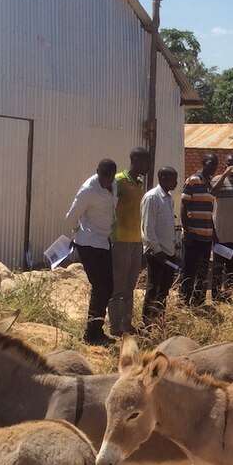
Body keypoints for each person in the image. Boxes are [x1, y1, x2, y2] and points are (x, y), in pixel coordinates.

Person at [66, 159, 118, 346]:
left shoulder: (114, 185)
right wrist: (78, 232)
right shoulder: (88, 190)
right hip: (88, 243)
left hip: (104, 241)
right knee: (100, 287)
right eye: (104, 177)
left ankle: (97, 330)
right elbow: (71, 216)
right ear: (97, 172)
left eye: (110, 178)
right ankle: (91, 334)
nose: (106, 181)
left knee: (108, 286)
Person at [109, 147, 151, 336]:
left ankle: (126, 325)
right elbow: (110, 208)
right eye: (144, 162)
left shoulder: (140, 182)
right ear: (134, 159)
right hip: (120, 240)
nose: (147, 166)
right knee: (118, 287)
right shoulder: (118, 181)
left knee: (130, 287)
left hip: (136, 241)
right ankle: (115, 327)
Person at [140, 166, 179, 326]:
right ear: (162, 179)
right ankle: (147, 324)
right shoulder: (152, 197)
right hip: (157, 253)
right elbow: (147, 228)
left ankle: (159, 320)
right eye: (173, 179)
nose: (176, 182)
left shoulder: (168, 198)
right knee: (153, 288)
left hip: (168, 252)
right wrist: (157, 251)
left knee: (164, 288)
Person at [179, 152, 217, 307]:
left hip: (206, 236)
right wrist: (186, 231)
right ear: (203, 162)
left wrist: (213, 231)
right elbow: (183, 206)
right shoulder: (193, 180)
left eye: (215, 165)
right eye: (211, 163)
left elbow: (209, 211)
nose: (213, 167)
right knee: (189, 270)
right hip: (193, 235)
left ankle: (198, 302)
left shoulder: (209, 184)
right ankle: (183, 302)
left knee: (202, 271)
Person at [209, 153, 233, 302]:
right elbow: (212, 193)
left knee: (232, 267)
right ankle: (216, 295)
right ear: (224, 165)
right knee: (218, 266)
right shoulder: (217, 179)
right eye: (230, 164)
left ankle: (228, 295)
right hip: (221, 232)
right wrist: (224, 175)